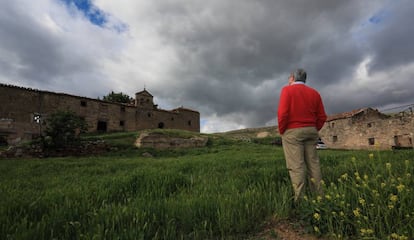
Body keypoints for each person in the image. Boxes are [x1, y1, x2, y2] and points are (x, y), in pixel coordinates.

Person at [277, 69, 327, 202]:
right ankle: (319, 196)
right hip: (311, 131)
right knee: (313, 164)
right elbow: (322, 116)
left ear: (292, 78)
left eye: (289, 77)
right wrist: (314, 129)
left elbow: (283, 114)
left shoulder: (287, 90)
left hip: (293, 132)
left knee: (297, 166)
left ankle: (300, 200)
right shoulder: (314, 93)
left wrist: (282, 130)